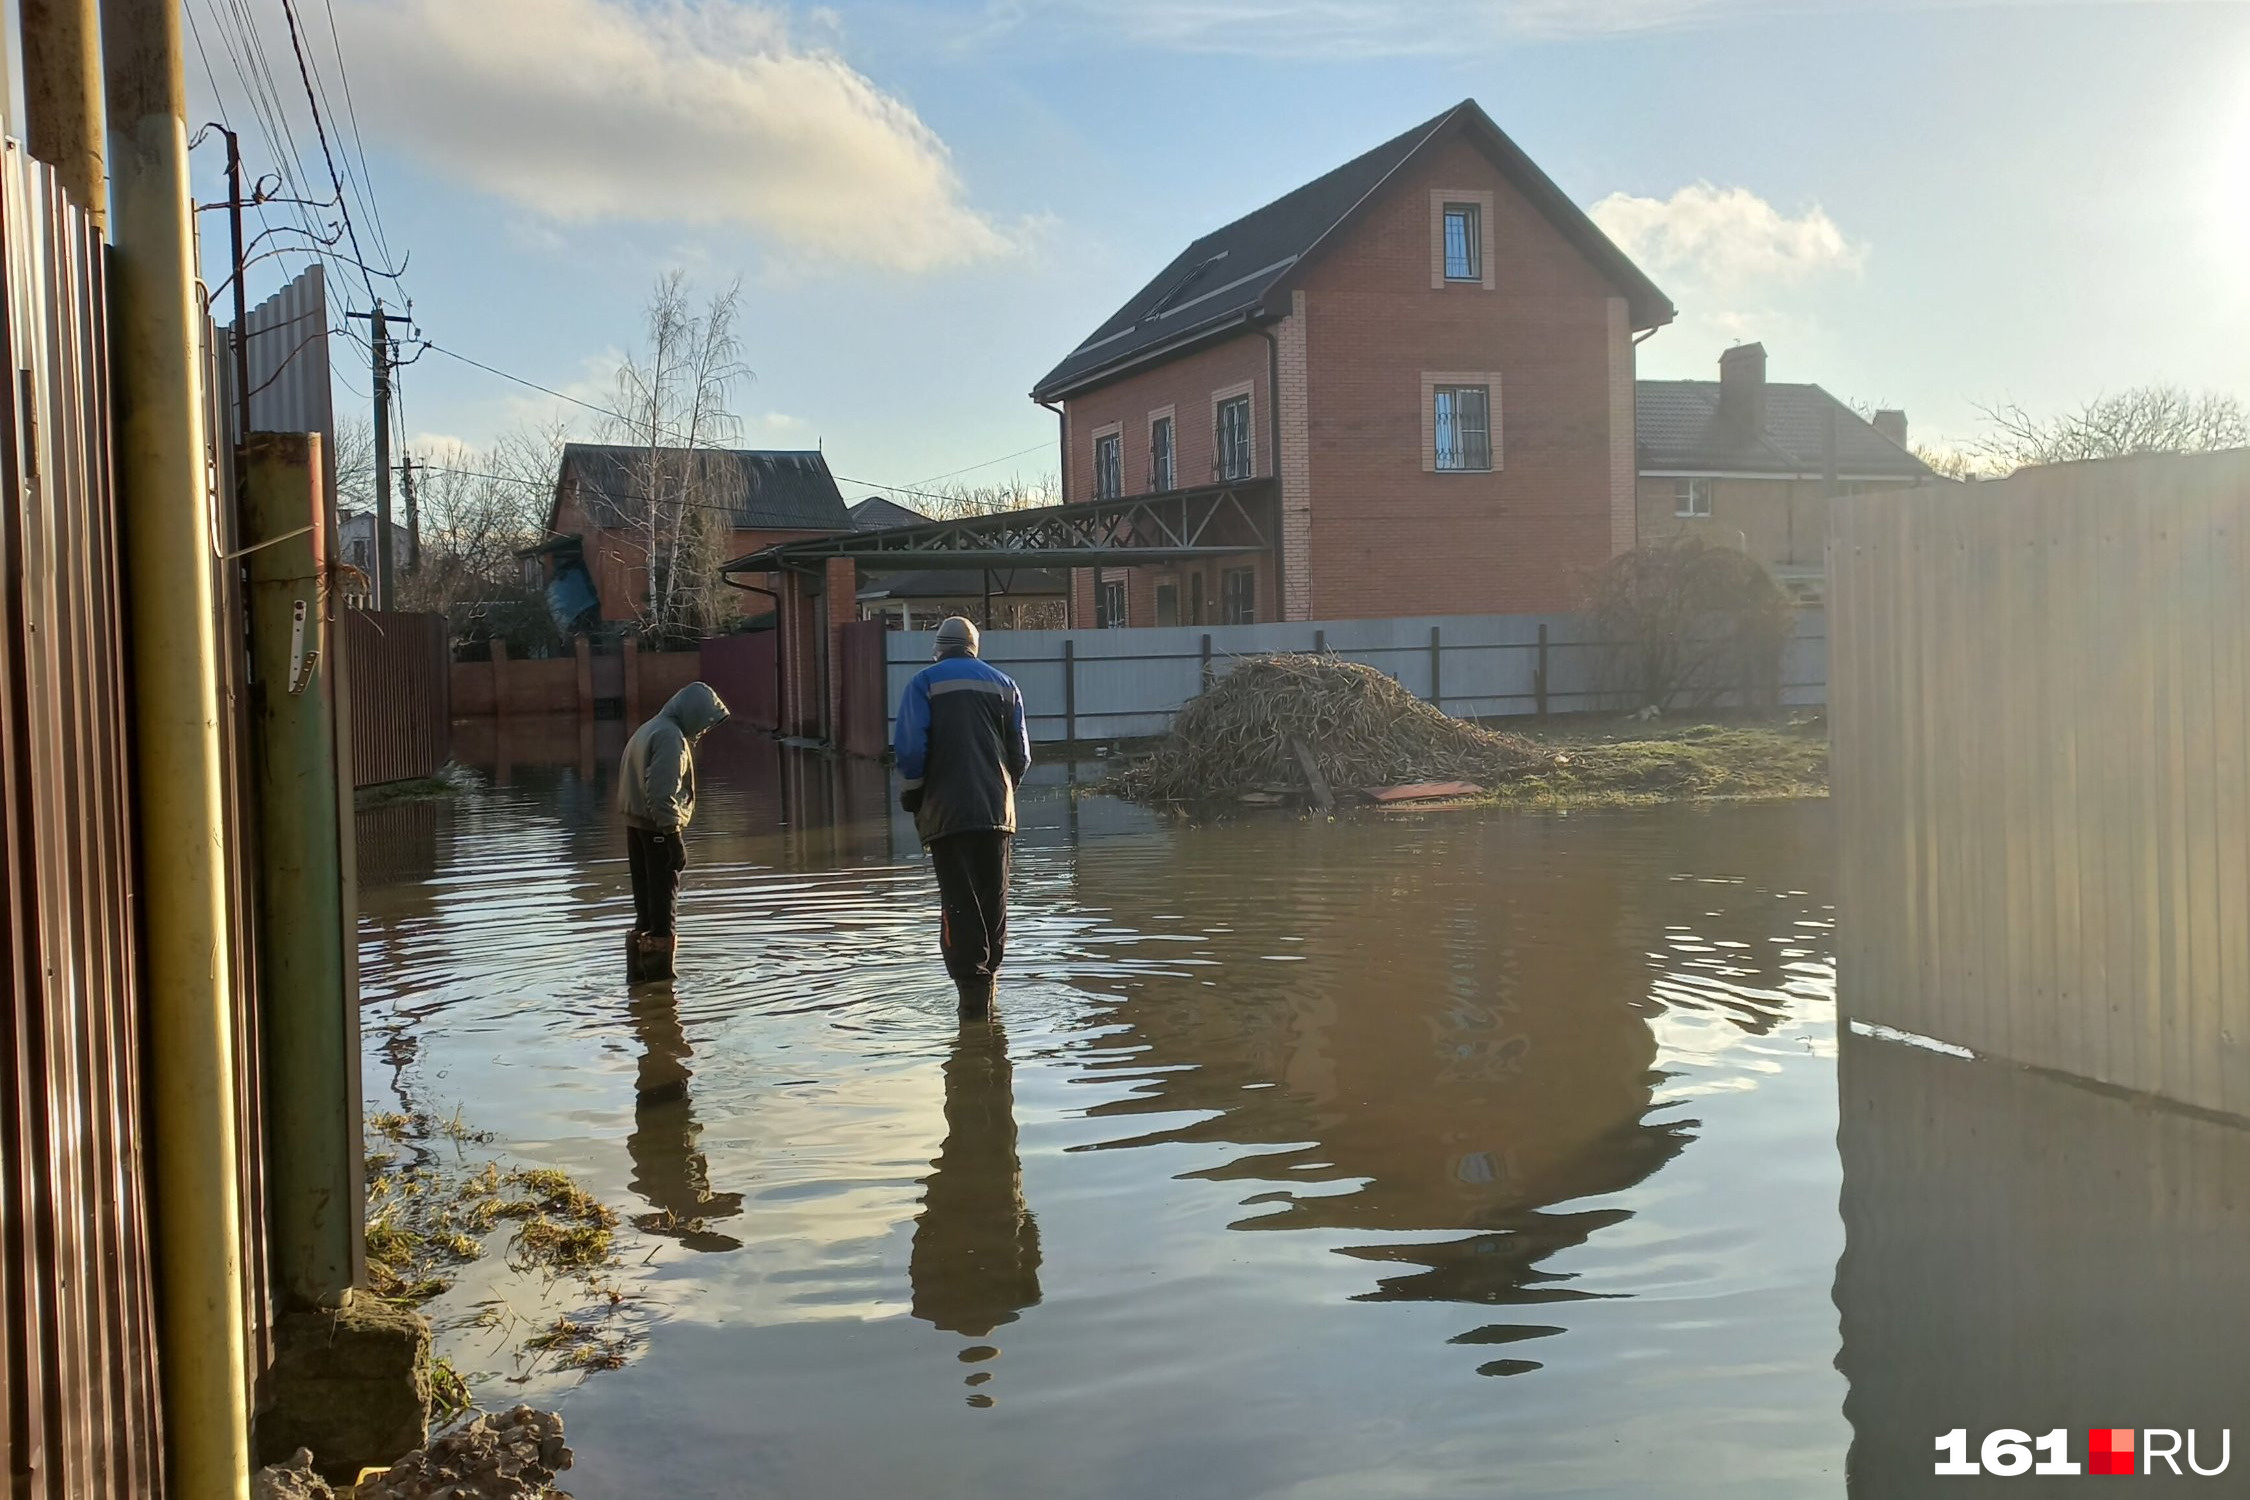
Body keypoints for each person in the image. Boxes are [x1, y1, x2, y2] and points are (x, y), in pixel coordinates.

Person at [893, 617, 1030, 1018]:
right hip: (996, 815)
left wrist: (913, 793)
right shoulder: (1005, 685)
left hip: (947, 816)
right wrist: (1002, 792)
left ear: (939, 648)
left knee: (959, 904)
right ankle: (990, 1003)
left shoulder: (924, 683)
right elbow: (1020, 755)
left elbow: (911, 750)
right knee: (993, 904)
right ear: (974, 648)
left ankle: (971, 1005)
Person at [618, 680, 729, 981]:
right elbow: (660, 791)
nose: (705, 730)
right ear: (693, 712)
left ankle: (640, 985)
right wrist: (672, 837)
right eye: (705, 722)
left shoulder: (650, 727)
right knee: (664, 910)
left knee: (646, 908)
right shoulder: (670, 737)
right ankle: (661, 987)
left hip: (636, 825)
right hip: (656, 828)